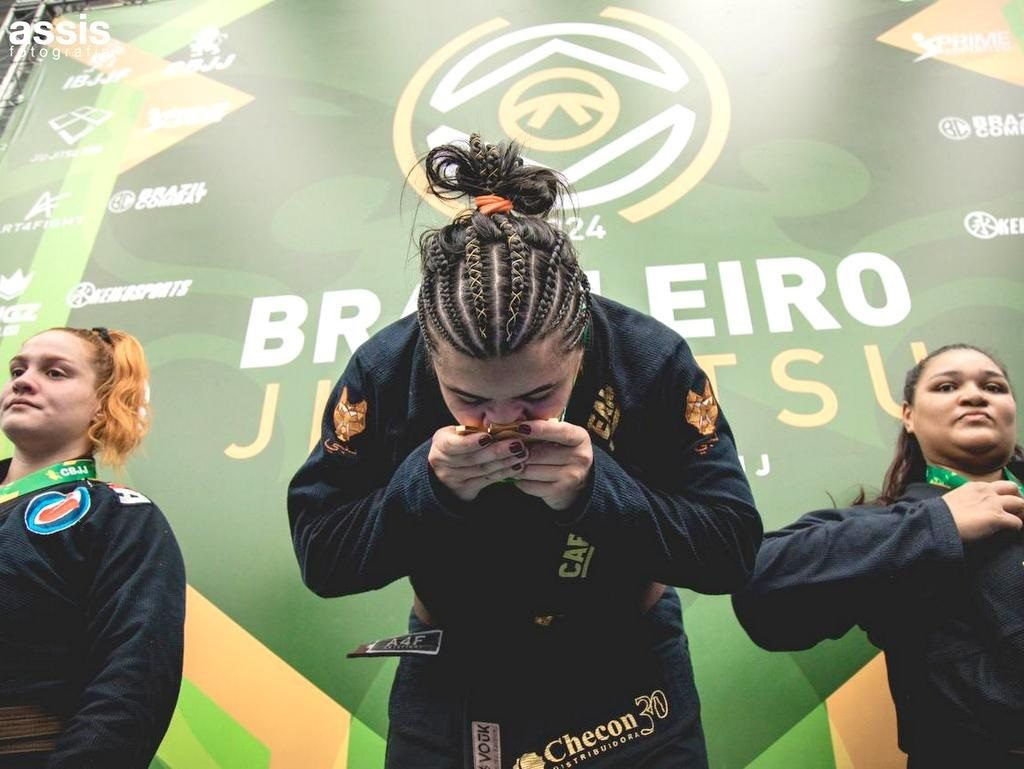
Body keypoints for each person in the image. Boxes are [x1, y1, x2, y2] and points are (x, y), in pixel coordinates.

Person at [288, 134, 762, 768]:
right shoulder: (384, 370)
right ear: (431, 352)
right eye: (468, 398)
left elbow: (731, 553)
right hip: (456, 669)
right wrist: (426, 488)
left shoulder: (649, 359)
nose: (503, 421)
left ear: (581, 343)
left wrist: (598, 491)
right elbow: (324, 558)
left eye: (538, 394)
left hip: (627, 662)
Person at [732, 344, 1024, 768]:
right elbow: (760, 585)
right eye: (947, 386)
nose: (975, 395)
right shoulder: (889, 526)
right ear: (909, 416)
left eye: (993, 387)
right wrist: (937, 524)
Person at [0, 327, 186, 769]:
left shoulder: (117, 516)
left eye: (55, 372)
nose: (24, 382)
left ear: (103, 402)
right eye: (17, 370)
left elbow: (135, 677)